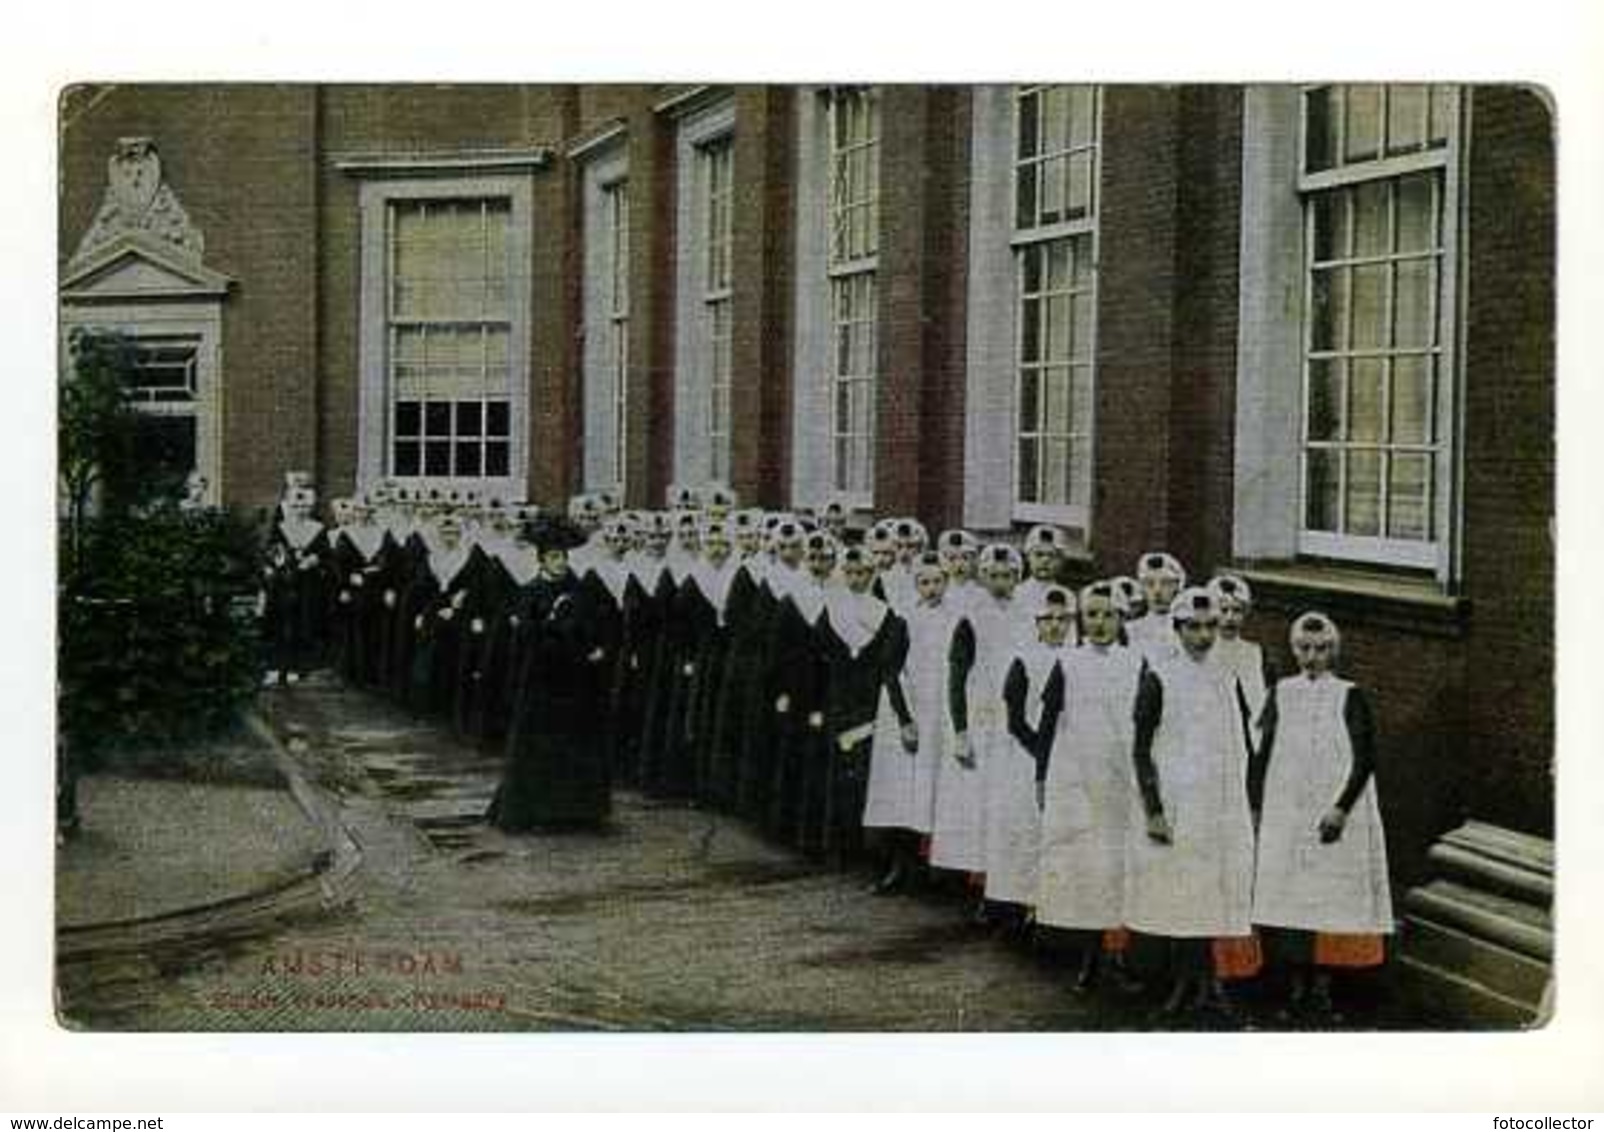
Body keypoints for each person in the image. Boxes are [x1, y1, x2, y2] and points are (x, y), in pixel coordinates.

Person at [1250, 612, 1393, 1021]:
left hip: (1333, 814)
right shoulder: (1281, 693)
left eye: (1321, 649)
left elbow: (1365, 759)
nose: (1312, 657)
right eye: (1304, 649)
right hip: (1288, 811)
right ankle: (1297, 987)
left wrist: (1341, 808)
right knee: (1291, 896)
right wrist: (1257, 806)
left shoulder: (1349, 694)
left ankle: (1326, 989)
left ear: (1333, 651)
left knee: (1331, 897)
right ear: (1294, 649)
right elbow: (1263, 752)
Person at [1124, 587, 1259, 1017]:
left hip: (1219, 806)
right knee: (1180, 894)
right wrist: (1155, 809)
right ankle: (1181, 984)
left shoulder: (1227, 677)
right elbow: (1141, 748)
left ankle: (1210, 985)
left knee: (1215, 891)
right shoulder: (1158, 677)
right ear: (1177, 629)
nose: (1203, 636)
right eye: (1193, 627)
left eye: (1210, 627)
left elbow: (1243, 744)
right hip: (1178, 806)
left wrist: (1247, 802)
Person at [1029, 581, 1146, 991]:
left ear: (1121, 618)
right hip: (1077, 779)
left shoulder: (1137, 663)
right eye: (1092, 615)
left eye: (1108, 615)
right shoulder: (1068, 662)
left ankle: (1121, 957)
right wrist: (1042, 775)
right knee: (1086, 870)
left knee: (1119, 867)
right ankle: (1089, 960)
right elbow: (1047, 724)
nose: (1099, 623)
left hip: (1121, 779)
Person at [486, 514, 620, 831]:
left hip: (577, 680)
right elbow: (526, 636)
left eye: (563, 557)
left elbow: (600, 621)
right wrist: (552, 625)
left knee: (576, 741)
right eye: (554, 558)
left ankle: (579, 811)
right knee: (541, 743)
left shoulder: (580, 588)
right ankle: (540, 812)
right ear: (541, 560)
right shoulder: (530, 592)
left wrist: (599, 646)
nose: (560, 563)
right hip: (543, 680)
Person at [862, 552, 957, 894]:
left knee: (934, 793)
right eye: (924, 582)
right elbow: (890, 669)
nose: (932, 588)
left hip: (943, 713)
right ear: (915, 584)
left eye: (937, 581)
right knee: (904, 794)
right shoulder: (904, 618)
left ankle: (934, 872)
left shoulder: (956, 617)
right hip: (911, 710)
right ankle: (899, 868)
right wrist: (905, 719)